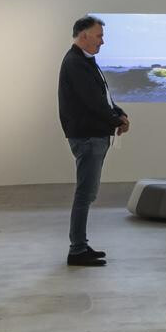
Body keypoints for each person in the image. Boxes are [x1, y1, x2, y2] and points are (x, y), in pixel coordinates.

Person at [58, 15, 129, 266]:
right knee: (85, 193)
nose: (102, 41)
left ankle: (80, 245)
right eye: (98, 36)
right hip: (88, 136)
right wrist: (117, 120)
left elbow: (103, 97)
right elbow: (93, 102)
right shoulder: (75, 63)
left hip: (93, 135)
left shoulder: (85, 61)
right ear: (83, 35)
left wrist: (118, 113)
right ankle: (77, 250)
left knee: (87, 193)